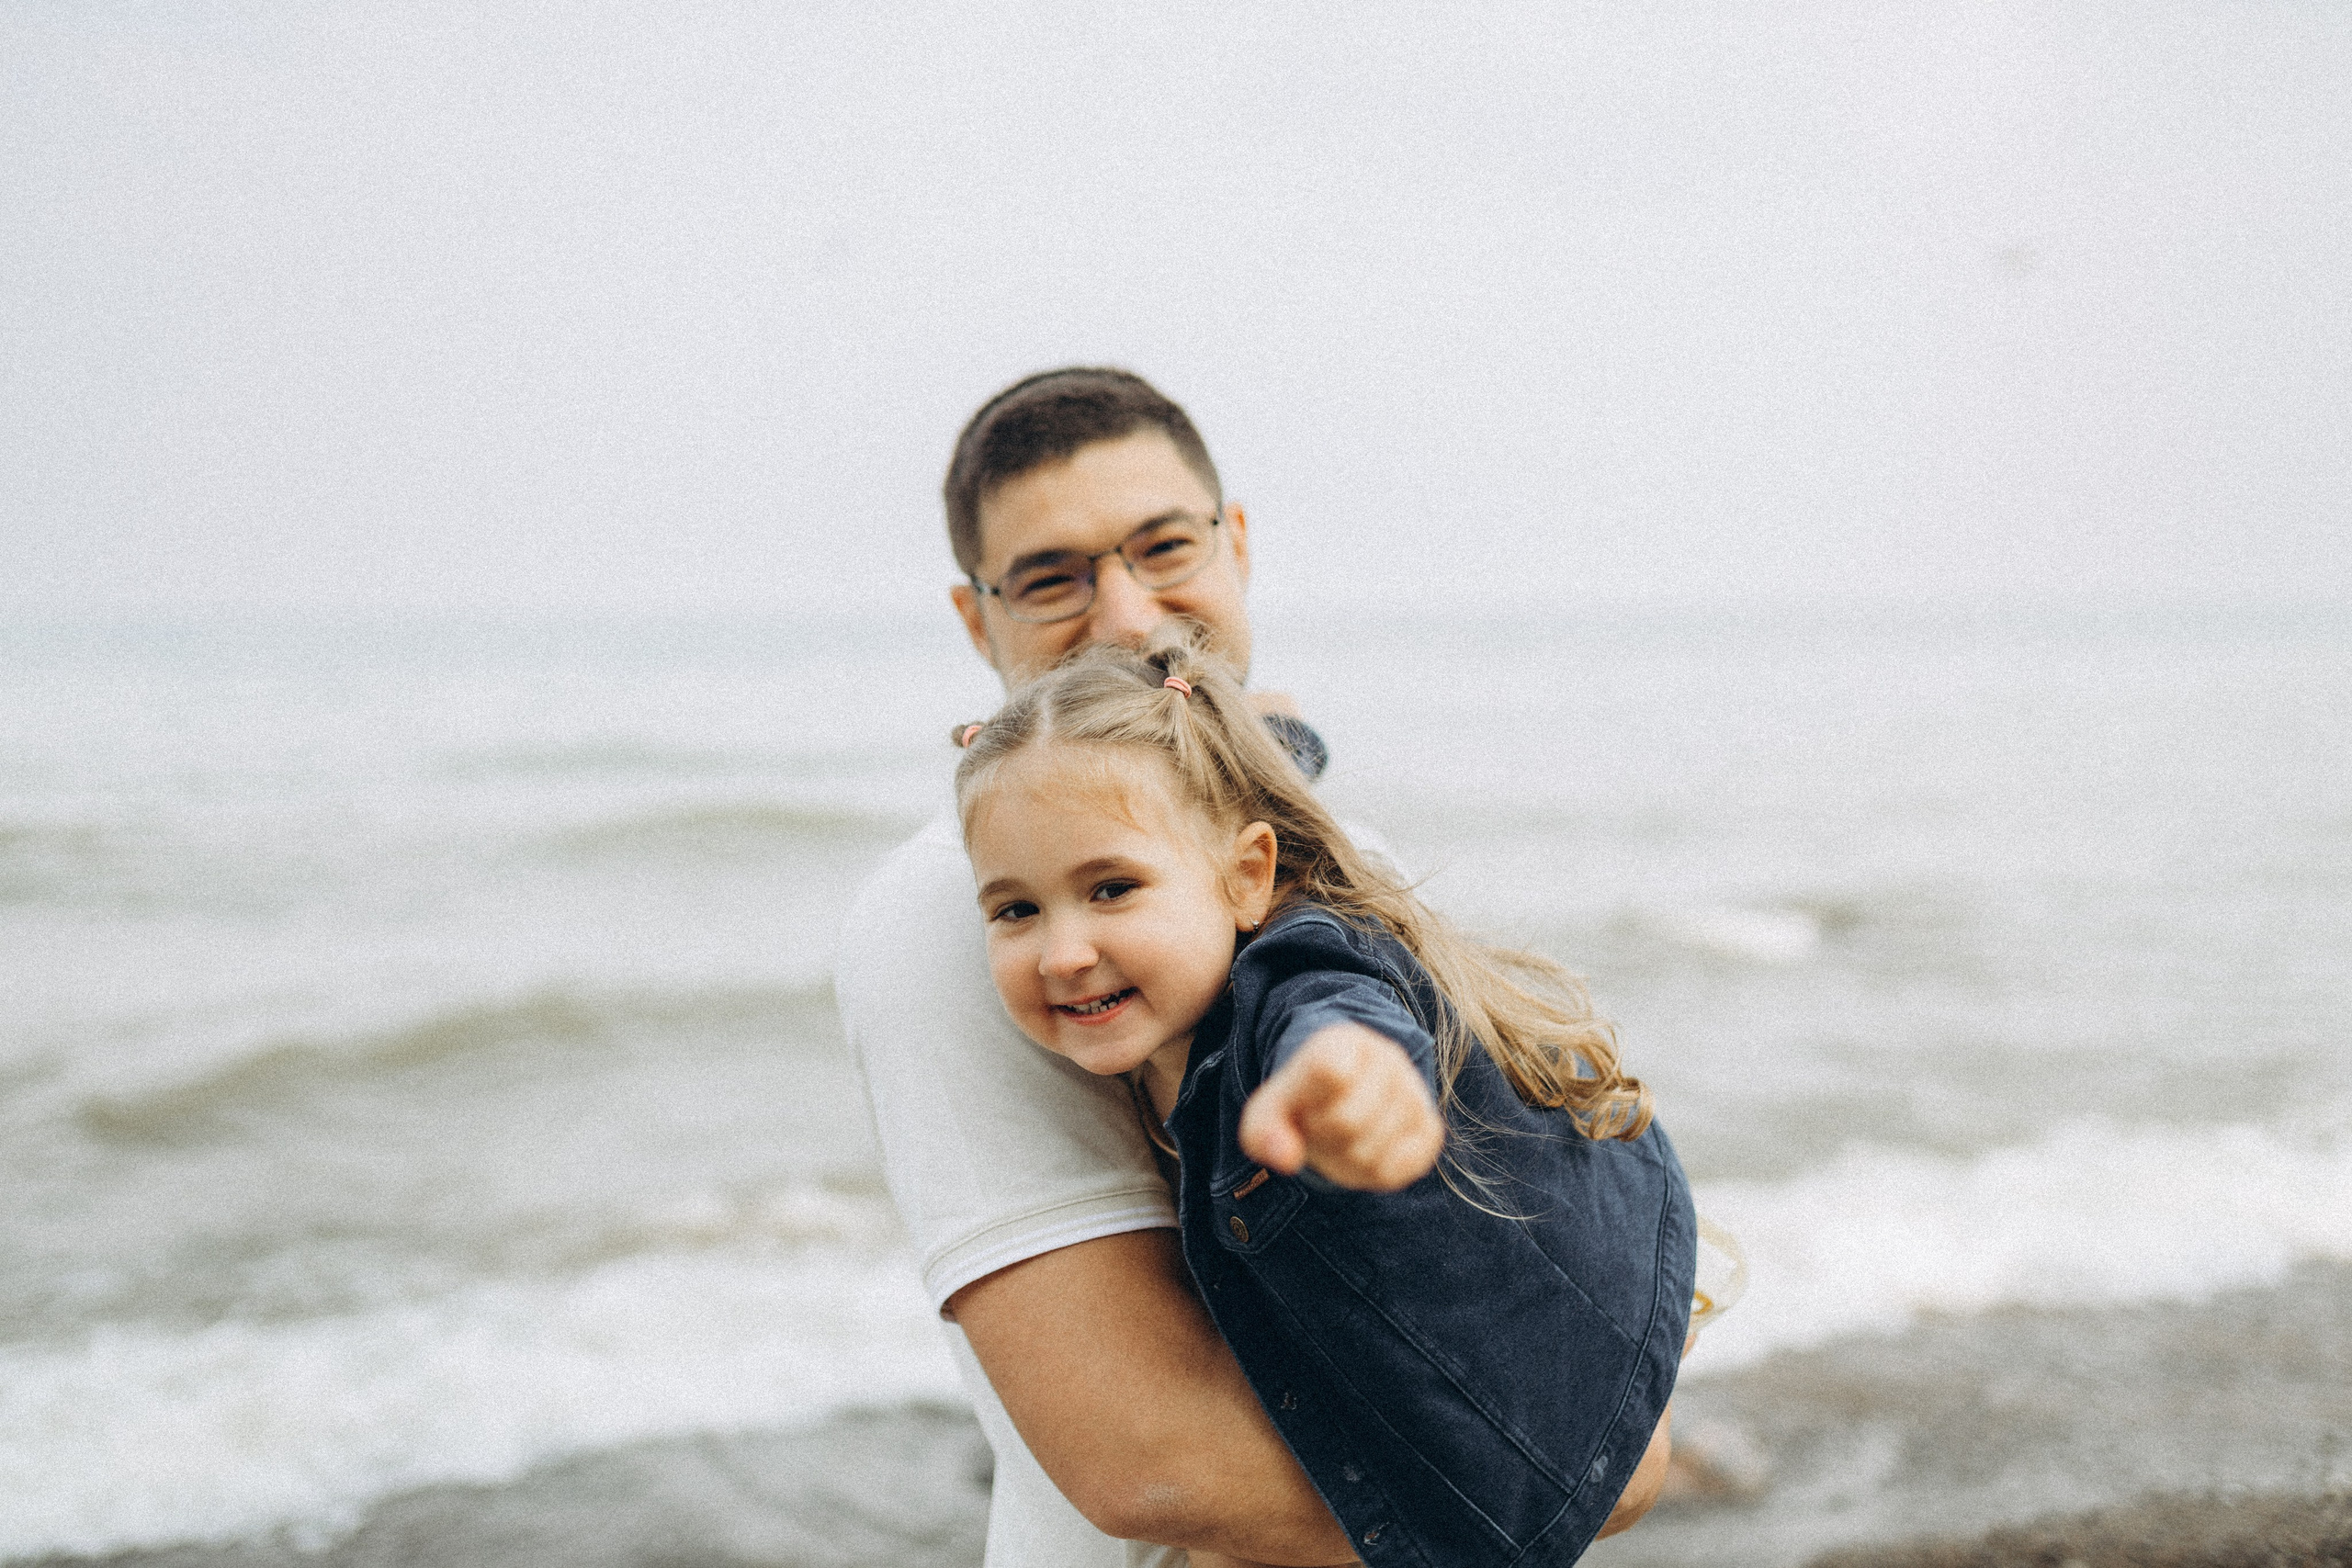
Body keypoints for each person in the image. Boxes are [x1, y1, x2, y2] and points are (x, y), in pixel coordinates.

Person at [837, 368, 1676, 1567]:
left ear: (1234, 543)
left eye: (1163, 547)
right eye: (1052, 577)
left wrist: (1593, 1425)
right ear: (979, 620)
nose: (1127, 614)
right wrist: (1570, 1474)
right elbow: (1150, 1459)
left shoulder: (1339, 856)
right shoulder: (953, 910)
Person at [950, 630, 1696, 1567]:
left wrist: (1350, 1067)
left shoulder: (1295, 967)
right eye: (1015, 910)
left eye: (1111, 888)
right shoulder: (1174, 996)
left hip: (1571, 1345)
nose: (1063, 953)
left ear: (1247, 876)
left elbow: (1336, 1004)